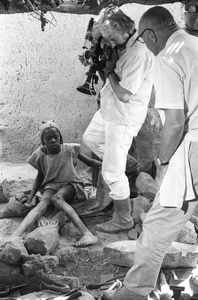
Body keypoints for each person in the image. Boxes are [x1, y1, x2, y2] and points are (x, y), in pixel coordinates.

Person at [102, 6, 198, 300]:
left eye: (144, 40)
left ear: (150, 34)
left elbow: (175, 122)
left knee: (156, 226)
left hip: (194, 145)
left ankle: (133, 292)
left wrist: (166, 163)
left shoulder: (168, 56)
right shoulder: (195, 42)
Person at [82, 6, 154, 233]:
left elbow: (124, 94)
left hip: (123, 116)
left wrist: (110, 70)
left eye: (110, 37)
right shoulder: (124, 43)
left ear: (119, 28)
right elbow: (110, 80)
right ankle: (128, 164)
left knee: (112, 172)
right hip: (109, 109)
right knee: (91, 139)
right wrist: (101, 61)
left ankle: (123, 218)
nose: (109, 41)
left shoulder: (139, 54)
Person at [12, 120, 101, 247]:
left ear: (61, 138)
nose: (53, 140)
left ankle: (87, 234)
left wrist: (106, 165)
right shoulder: (40, 155)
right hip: (51, 185)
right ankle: (16, 234)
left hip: (71, 184)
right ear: (43, 141)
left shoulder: (70, 149)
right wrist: (31, 197)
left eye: (56, 137)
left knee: (57, 199)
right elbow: (40, 176)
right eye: (48, 138)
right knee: (43, 203)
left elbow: (90, 162)